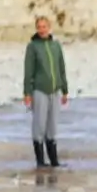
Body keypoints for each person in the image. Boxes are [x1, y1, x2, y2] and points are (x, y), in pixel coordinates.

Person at [23, 16, 69, 168]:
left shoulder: (56, 46)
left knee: (52, 125)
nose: (42, 30)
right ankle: (40, 161)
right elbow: (28, 71)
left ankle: (54, 160)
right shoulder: (33, 47)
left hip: (55, 91)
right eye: (39, 27)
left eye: (44, 26)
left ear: (49, 27)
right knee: (39, 125)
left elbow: (61, 68)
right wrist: (27, 93)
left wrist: (65, 90)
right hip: (39, 90)